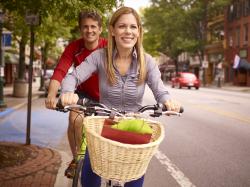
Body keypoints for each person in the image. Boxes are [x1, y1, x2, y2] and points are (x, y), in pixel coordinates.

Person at [60, 6, 181, 187]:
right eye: (122, 26)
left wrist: (167, 102)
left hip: (132, 126)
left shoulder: (147, 61)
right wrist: (68, 92)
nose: (128, 31)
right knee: (90, 171)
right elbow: (73, 76)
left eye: (133, 27)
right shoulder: (100, 56)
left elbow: (160, 90)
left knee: (136, 174)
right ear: (112, 30)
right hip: (104, 124)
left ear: (139, 32)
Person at [45, 9, 107, 178]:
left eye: (93, 26)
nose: (89, 30)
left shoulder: (108, 47)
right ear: (81, 29)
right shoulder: (74, 47)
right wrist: (52, 95)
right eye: (85, 27)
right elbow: (60, 71)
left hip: (106, 96)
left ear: (100, 29)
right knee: (75, 119)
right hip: (83, 93)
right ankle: (76, 158)